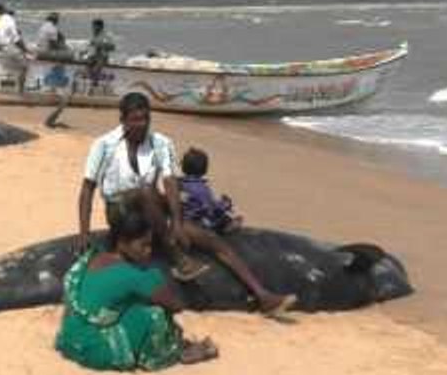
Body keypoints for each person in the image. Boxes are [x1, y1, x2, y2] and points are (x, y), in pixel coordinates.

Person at [77, 92, 294, 314]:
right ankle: (177, 257)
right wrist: (84, 233)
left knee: (209, 239)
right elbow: (87, 189)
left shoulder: (161, 143)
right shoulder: (103, 145)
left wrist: (178, 224)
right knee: (145, 192)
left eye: (145, 118)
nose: (141, 124)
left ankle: (263, 295)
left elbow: (170, 182)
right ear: (122, 120)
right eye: (135, 119)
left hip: (151, 211)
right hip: (121, 211)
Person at [56, 197, 219, 372]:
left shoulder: (94, 257)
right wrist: (154, 273)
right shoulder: (135, 275)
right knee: (155, 314)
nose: (148, 251)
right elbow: (177, 305)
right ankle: (178, 352)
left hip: (69, 339)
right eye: (143, 245)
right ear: (122, 242)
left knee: (127, 304)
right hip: (96, 350)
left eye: (150, 245)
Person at [179, 147, 242, 234]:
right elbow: (210, 207)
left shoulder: (178, 183)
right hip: (196, 220)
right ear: (204, 169)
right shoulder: (201, 188)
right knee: (221, 217)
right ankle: (226, 227)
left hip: (182, 217)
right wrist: (224, 204)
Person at [84, 18, 115, 85]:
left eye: (94, 26)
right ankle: (93, 80)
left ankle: (95, 82)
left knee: (96, 68)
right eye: (93, 26)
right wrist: (84, 52)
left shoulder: (106, 35)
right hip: (93, 56)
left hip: (102, 57)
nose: (92, 28)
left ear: (99, 26)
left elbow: (112, 47)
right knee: (86, 64)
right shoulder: (93, 35)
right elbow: (89, 46)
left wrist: (101, 45)